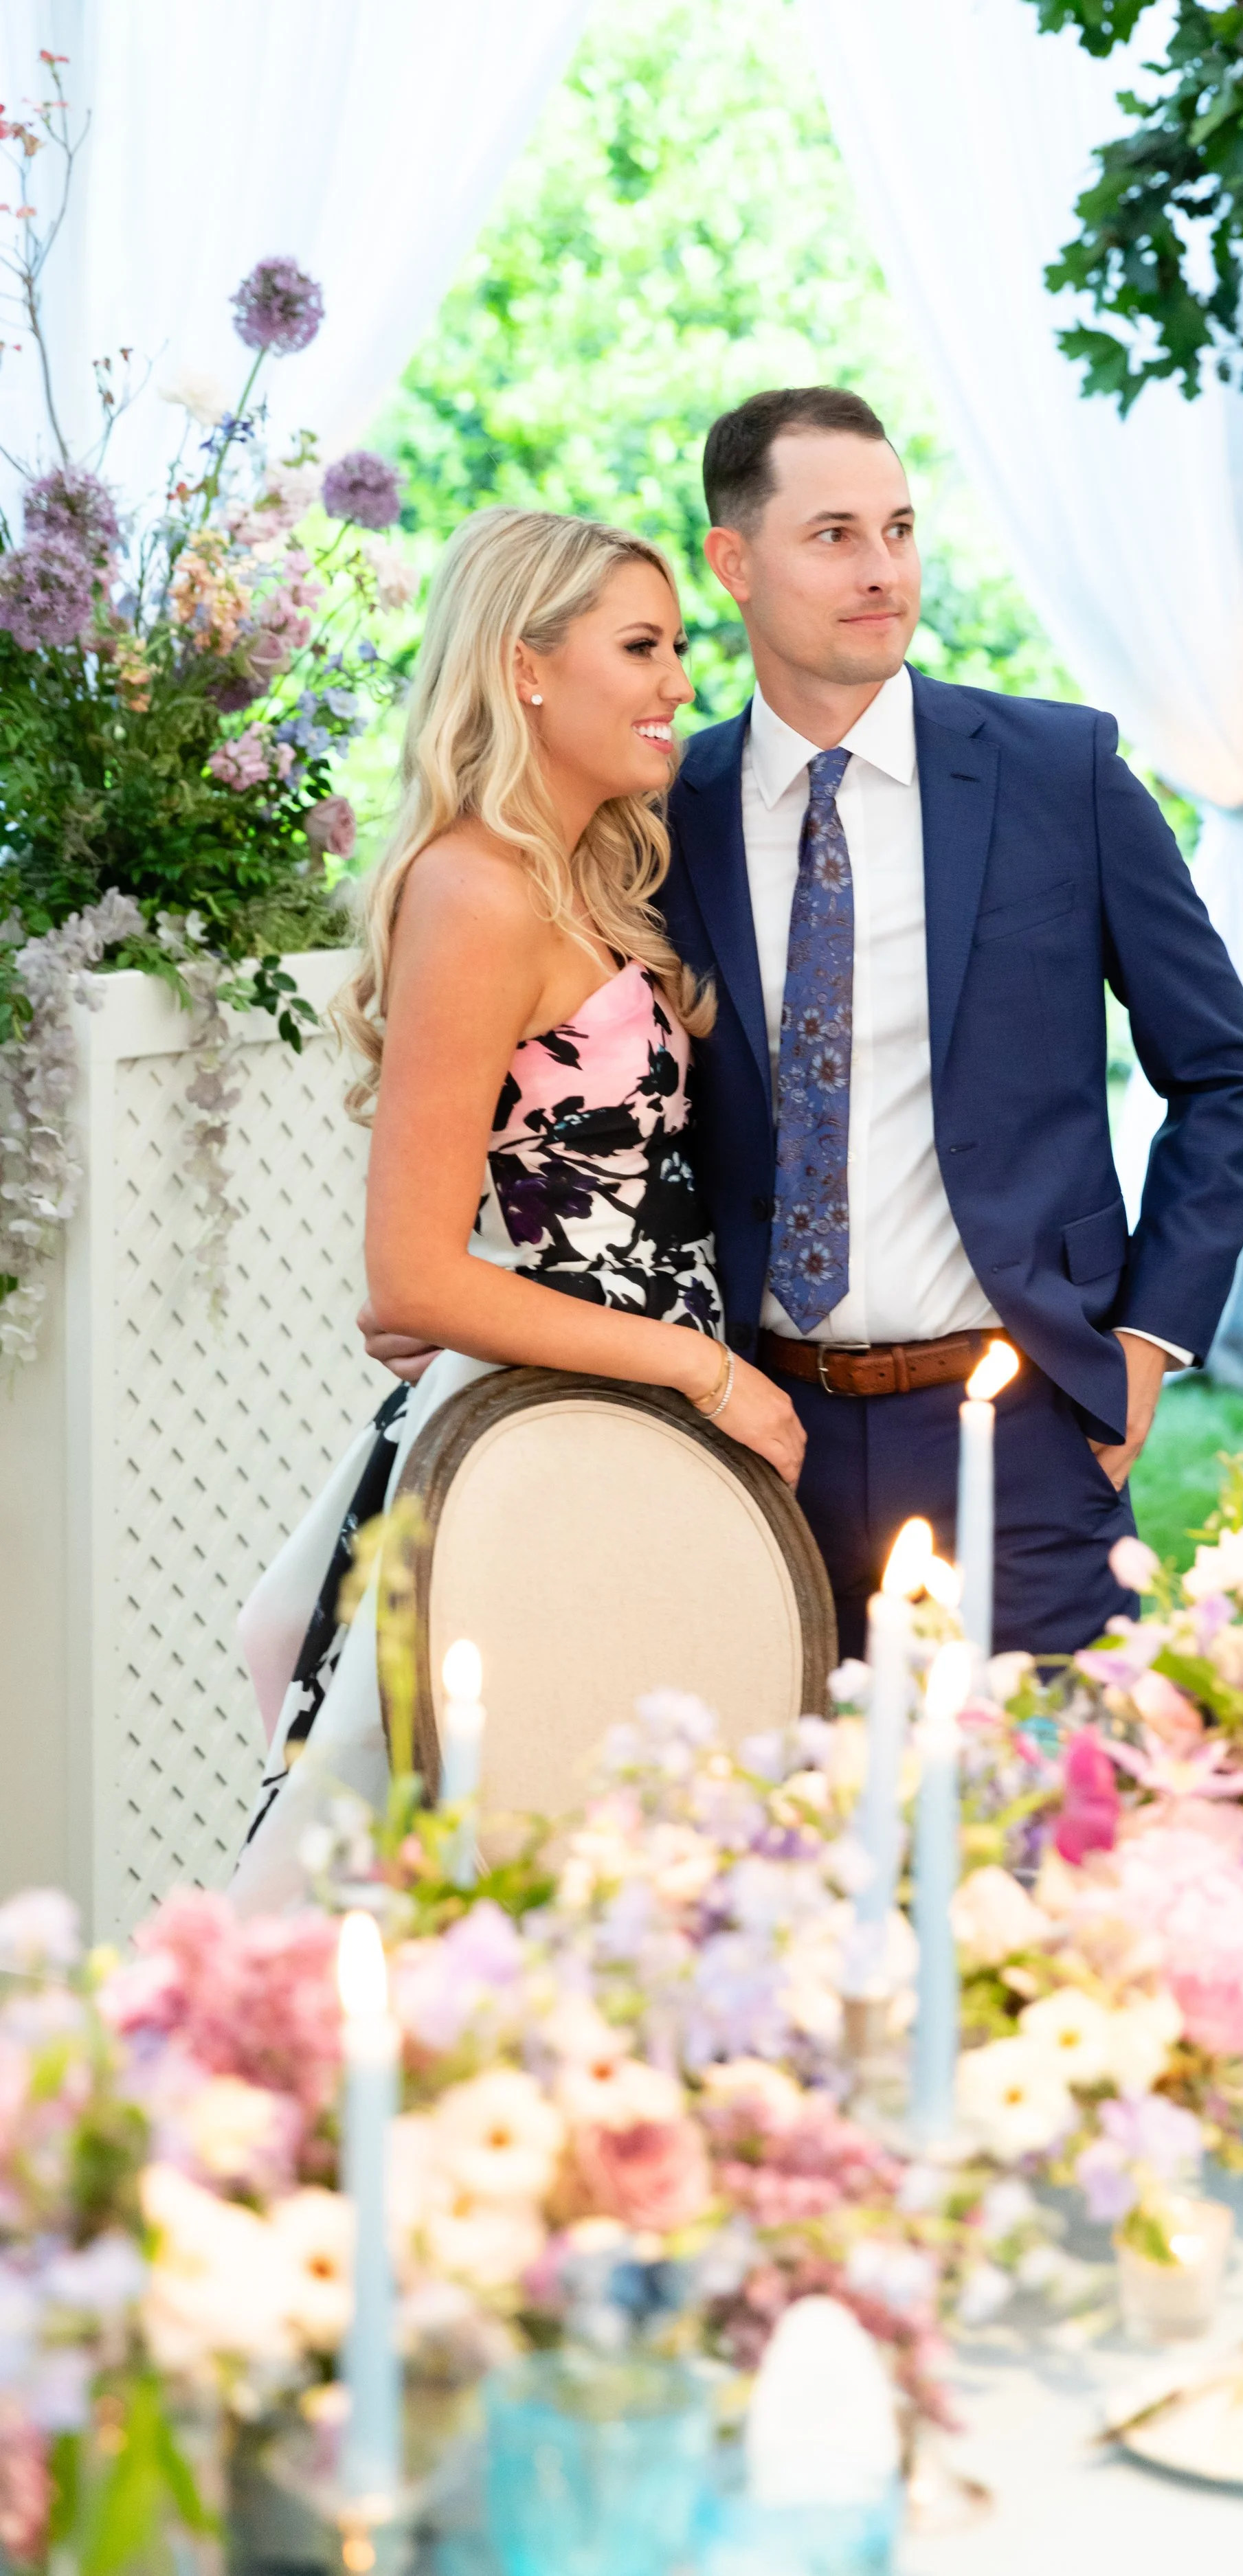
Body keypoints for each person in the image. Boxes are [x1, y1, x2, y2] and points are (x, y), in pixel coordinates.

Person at [367, 386, 1243, 1660]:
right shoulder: (649, 812)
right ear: (734, 562)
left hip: (1014, 1423)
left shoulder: (1061, 775)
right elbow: (582, 1081)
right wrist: (473, 1281)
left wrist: (1145, 1341)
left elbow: (1225, 1073)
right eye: (836, 535)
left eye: (900, 529)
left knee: (1041, 1837)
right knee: (763, 1838)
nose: (882, 570)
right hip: (744, 1432)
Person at [230, 507, 803, 1910]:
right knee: (471, 1837)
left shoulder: (610, 875)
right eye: (642, 647)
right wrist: (706, 1368)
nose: (680, 682)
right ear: (525, 667)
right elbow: (415, 1274)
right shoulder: (474, 892)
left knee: (619, 1830)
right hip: (555, 1426)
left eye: (680, 647)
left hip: (635, 1417)